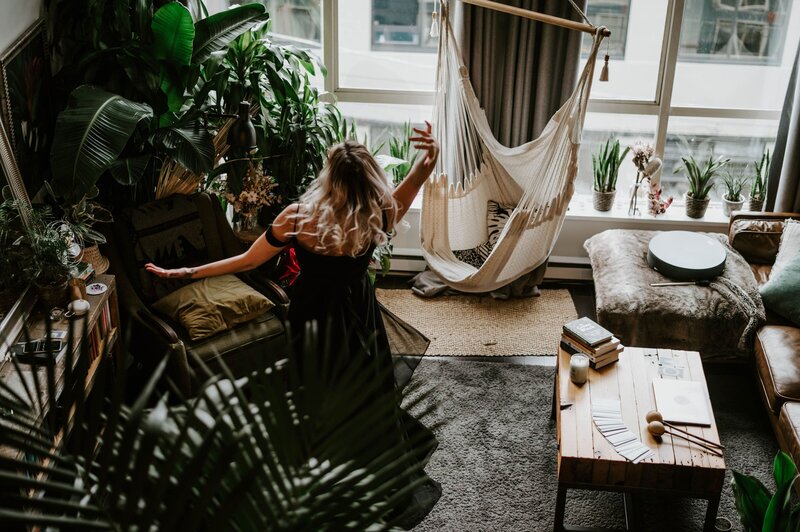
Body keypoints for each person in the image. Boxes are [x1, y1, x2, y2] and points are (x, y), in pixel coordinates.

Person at [145, 122, 441, 527]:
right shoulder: (379, 210)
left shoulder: (299, 219)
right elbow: (419, 176)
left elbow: (248, 261)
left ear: (329, 178)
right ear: (369, 180)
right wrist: (431, 155)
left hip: (313, 317)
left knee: (313, 395)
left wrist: (188, 271)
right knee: (365, 393)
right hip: (357, 316)